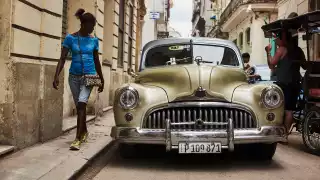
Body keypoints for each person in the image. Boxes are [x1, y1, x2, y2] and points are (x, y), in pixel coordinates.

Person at [53, 8, 104, 150]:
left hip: (89, 77)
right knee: (80, 107)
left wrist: (101, 78)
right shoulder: (70, 38)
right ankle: (84, 131)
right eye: (92, 26)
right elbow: (62, 58)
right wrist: (56, 75)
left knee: (81, 105)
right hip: (73, 78)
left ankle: (77, 139)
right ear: (84, 24)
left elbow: (96, 60)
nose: (93, 28)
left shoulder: (94, 41)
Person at [265, 29, 306, 137]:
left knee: (282, 108)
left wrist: (268, 52)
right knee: (290, 109)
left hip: (284, 83)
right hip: (296, 83)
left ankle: (282, 134)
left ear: (283, 39)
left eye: (277, 39)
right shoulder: (298, 50)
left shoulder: (281, 50)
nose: (276, 41)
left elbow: (271, 65)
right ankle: (286, 133)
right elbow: (305, 66)